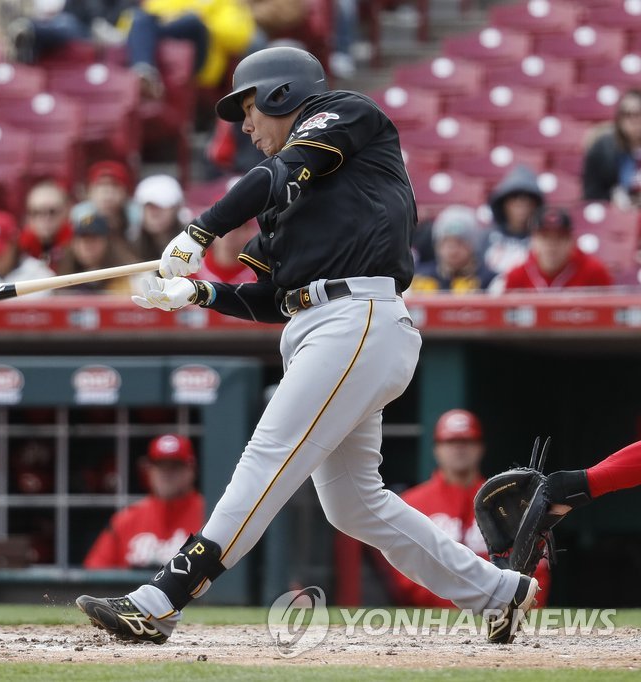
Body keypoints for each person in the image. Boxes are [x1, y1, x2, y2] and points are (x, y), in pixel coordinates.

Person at [77, 46, 538, 647]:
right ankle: (497, 593)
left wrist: (200, 229)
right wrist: (200, 293)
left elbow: (275, 174)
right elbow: (274, 299)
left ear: (281, 93)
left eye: (249, 108)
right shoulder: (289, 204)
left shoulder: (345, 113)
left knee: (267, 456)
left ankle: (162, 599)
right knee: (353, 503)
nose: (245, 126)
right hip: (323, 327)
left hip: (357, 317)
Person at [385, 410, 550, 608]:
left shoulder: (509, 504)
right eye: (450, 441)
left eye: (467, 441)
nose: (459, 448)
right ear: (436, 449)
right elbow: (403, 572)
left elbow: (535, 571)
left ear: (480, 447)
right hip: (429, 619)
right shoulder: (411, 503)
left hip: (500, 614)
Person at [84, 434, 205, 569]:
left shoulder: (209, 513)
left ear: (191, 470)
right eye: (160, 466)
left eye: (175, 466)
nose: (167, 474)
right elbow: (95, 570)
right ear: (149, 471)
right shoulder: (127, 519)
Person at [124, 0, 254, 98]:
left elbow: (238, 38)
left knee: (193, 22)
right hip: (163, 53)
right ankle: (145, 70)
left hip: (202, 63)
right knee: (141, 19)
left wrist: (204, 17)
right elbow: (147, 15)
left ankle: (147, 76)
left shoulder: (227, 3)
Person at [499, 206, 613, 292]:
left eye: (559, 237)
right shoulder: (517, 275)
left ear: (571, 241)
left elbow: (609, 312)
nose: (552, 245)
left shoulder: (594, 271)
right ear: (534, 240)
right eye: (545, 237)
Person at [409, 205, 495, 293]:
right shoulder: (420, 277)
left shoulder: (489, 281)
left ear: (473, 245)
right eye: (447, 242)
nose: (453, 250)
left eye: (460, 242)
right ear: (437, 245)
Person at [582, 89, 641, 207]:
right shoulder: (603, 149)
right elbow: (592, 195)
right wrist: (611, 199)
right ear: (619, 118)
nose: (633, 120)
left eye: (638, 114)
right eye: (627, 114)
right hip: (617, 212)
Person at [481, 165, 544, 276]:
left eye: (528, 199)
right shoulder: (487, 239)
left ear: (536, 205)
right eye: (514, 197)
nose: (521, 204)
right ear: (503, 204)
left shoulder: (545, 240)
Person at [55, 212, 137, 294]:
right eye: (82, 240)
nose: (87, 246)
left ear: (107, 242)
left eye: (93, 240)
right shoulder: (62, 275)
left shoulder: (125, 277)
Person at [71, 160, 140, 248]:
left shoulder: (136, 218)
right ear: (89, 192)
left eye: (115, 186)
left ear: (125, 192)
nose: (108, 195)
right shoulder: (80, 216)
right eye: (101, 186)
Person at [18, 180, 74, 269]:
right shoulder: (20, 249)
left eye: (52, 212)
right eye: (36, 212)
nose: (45, 218)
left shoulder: (77, 244)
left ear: (66, 211)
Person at [130, 174, 185, 261]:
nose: (154, 214)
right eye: (148, 207)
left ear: (177, 208)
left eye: (162, 206)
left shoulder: (195, 245)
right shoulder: (129, 247)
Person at [192, 217, 258, 284]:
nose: (229, 236)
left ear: (249, 232)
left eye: (237, 229)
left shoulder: (260, 272)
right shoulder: (191, 267)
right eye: (222, 229)